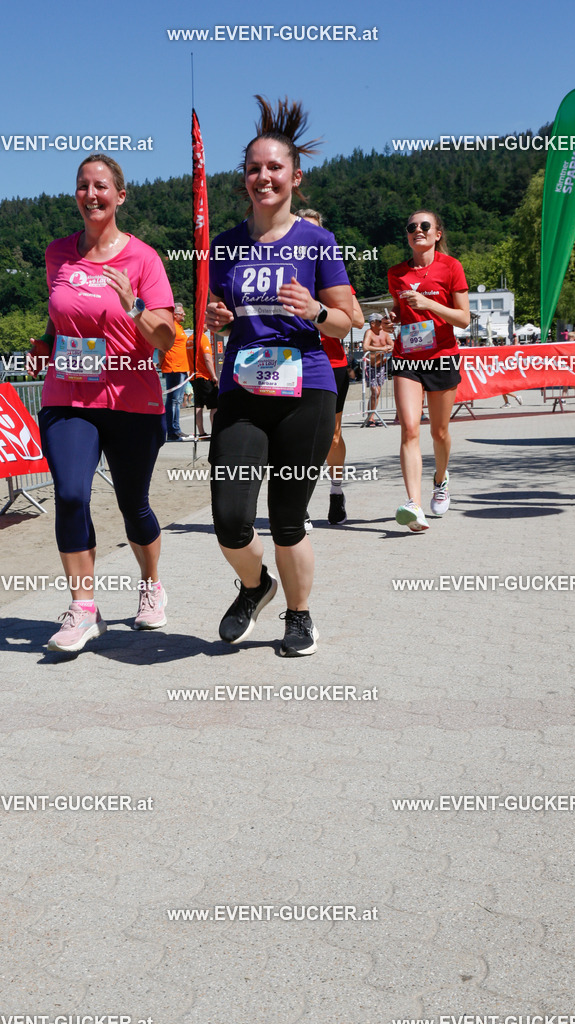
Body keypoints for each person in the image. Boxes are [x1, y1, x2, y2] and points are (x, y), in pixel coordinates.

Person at [206, 96, 353, 656]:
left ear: (295, 176)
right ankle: (255, 586)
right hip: (243, 390)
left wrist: (314, 310)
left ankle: (299, 616)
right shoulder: (225, 246)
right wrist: (217, 319)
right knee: (230, 519)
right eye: (253, 168)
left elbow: (346, 323)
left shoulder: (316, 242)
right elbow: (222, 314)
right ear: (243, 177)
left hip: (305, 389)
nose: (263, 177)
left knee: (288, 517)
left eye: (274, 168)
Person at [34, 154, 175, 651]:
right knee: (71, 495)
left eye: (100, 186)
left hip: (132, 398)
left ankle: (151, 584)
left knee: (133, 503)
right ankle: (83, 608)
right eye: (82, 186)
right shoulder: (57, 254)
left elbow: (165, 336)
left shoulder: (143, 259)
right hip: (68, 395)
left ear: (119, 195)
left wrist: (134, 304)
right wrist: (42, 343)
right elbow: (62, 316)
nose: (91, 195)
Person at [388, 210, 470, 532]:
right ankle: (414, 505)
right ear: (407, 236)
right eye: (411, 227)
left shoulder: (451, 267)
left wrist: (430, 304)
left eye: (424, 226)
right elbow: (400, 310)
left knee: (439, 433)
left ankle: (441, 479)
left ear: (437, 233)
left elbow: (463, 319)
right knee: (409, 429)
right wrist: (395, 319)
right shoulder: (396, 273)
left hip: (441, 357)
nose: (417, 231)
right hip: (407, 357)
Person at [297, 209, 364, 525]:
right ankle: (299, 504)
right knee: (295, 437)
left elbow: (357, 319)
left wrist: (319, 310)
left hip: (332, 363)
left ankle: (336, 491)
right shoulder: (284, 271)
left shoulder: (332, 275)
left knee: (332, 437)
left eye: (315, 231)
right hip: (291, 363)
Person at [161, 302, 192, 441]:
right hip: (174, 368)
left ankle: (175, 429)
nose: (184, 314)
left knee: (177, 400)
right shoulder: (170, 326)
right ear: (175, 314)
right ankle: (172, 431)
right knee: (173, 400)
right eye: (182, 312)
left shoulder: (179, 327)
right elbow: (162, 347)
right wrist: (162, 364)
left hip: (182, 368)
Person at [186, 329, 219, 437]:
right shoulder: (203, 338)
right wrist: (214, 375)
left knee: (198, 405)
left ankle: (201, 432)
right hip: (204, 376)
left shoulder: (189, 339)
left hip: (194, 376)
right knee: (214, 406)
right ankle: (215, 431)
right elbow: (207, 359)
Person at [362, 313, 393, 426]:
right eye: (380, 321)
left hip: (381, 366)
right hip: (371, 367)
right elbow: (365, 347)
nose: (382, 324)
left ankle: (372, 416)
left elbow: (392, 344)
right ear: (372, 323)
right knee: (375, 391)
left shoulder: (384, 333)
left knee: (377, 393)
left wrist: (389, 348)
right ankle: (370, 417)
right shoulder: (369, 332)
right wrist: (382, 349)